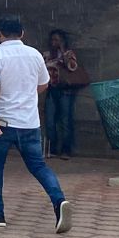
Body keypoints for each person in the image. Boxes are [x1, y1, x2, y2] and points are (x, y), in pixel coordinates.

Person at [0, 16, 72, 232]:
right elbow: (43, 84)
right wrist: (26, 95)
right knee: (39, 166)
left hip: (2, 122)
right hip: (29, 123)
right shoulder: (35, 55)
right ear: (22, 33)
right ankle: (59, 201)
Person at [43, 28, 83, 159]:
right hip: (51, 89)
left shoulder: (68, 53)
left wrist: (63, 51)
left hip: (66, 90)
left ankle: (66, 149)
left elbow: (72, 67)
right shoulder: (47, 55)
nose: (54, 42)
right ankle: (52, 149)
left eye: (57, 40)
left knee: (66, 120)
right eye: (53, 40)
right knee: (50, 120)